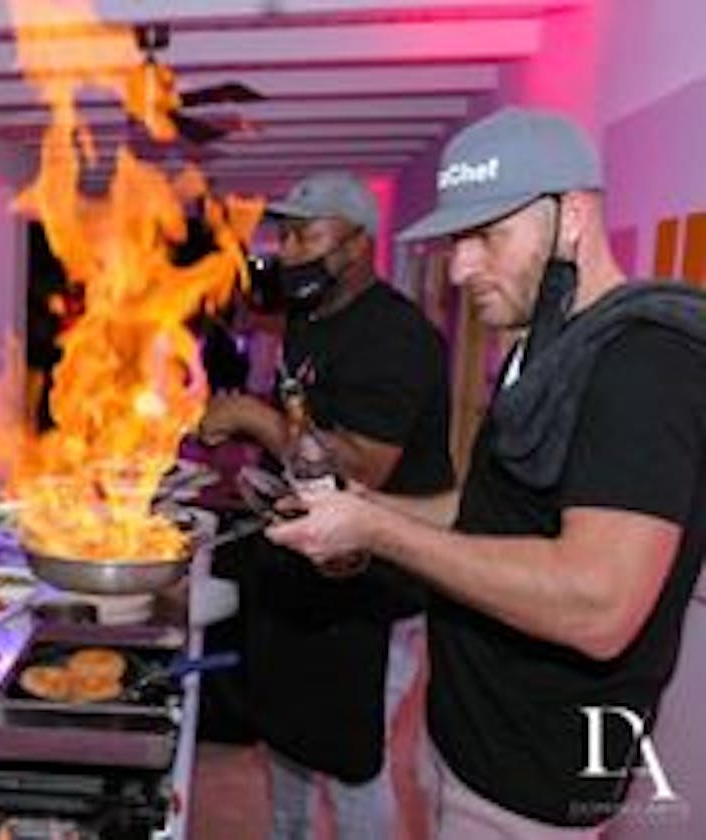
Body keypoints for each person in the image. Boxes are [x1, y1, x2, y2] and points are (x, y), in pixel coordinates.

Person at [267, 108, 706, 838]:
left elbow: (599, 605)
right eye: (456, 240)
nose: (460, 266)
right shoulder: (546, 347)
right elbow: (488, 505)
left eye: (486, 235)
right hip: (465, 737)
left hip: (530, 781)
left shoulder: (643, 367)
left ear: (572, 218)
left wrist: (376, 530)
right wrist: (365, 503)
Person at [199, 171, 454, 839]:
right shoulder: (307, 320)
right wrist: (257, 483)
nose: (287, 251)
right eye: (284, 235)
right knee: (285, 738)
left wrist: (254, 419)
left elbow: (365, 465)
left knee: (352, 766)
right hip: (309, 573)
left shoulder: (397, 336)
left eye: (305, 235)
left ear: (358, 243)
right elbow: (305, 438)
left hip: (376, 590)